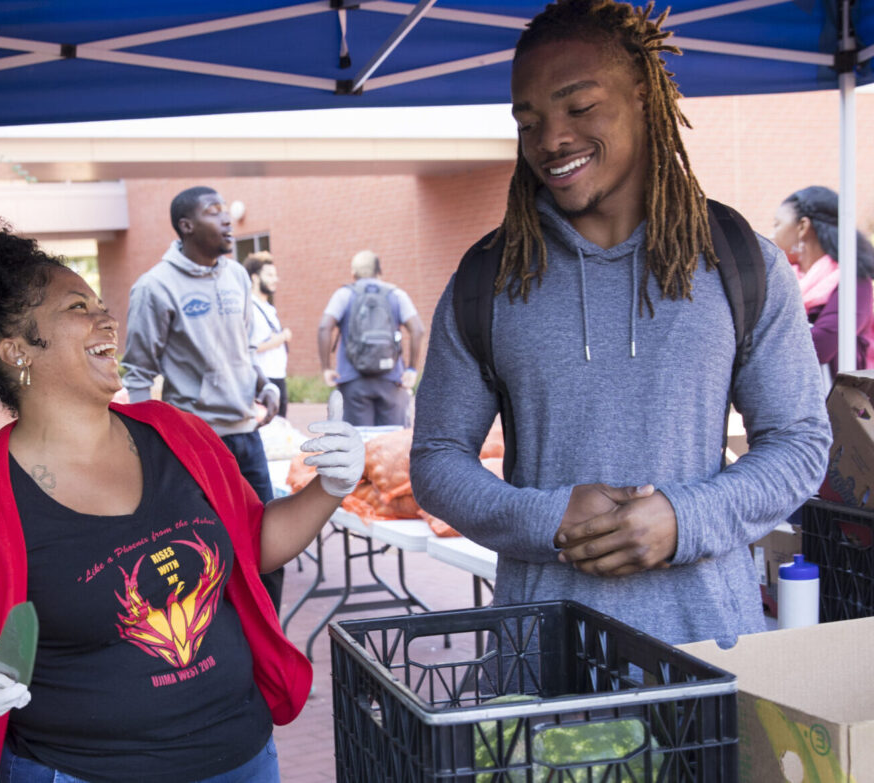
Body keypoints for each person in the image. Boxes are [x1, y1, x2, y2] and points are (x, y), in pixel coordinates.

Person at [409, 0, 831, 647]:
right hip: (543, 664)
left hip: (709, 660)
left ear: (644, 96)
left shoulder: (742, 262)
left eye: (579, 108)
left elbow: (800, 442)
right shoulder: (489, 278)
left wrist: (683, 519)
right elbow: (437, 460)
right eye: (529, 122)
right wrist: (547, 517)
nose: (551, 140)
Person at [0, 220, 364, 783]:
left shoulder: (176, 432)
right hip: (79, 771)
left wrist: (329, 488)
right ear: (17, 350)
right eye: (77, 307)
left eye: (99, 304)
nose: (107, 318)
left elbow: (256, 543)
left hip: (242, 756)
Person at [122, 186, 285, 612]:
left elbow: (245, 348)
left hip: (247, 437)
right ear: (186, 226)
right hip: (195, 445)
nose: (227, 218)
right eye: (214, 212)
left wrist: (263, 384)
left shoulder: (235, 276)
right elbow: (137, 372)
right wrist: (146, 442)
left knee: (269, 551)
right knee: (208, 557)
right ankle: (218, 649)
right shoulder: (154, 288)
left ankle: (270, 649)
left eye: (226, 210)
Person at [772, 185, 874, 382]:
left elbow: (821, 345)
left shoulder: (854, 282)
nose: (772, 234)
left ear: (803, 226)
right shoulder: (781, 281)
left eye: (777, 224)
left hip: (840, 407)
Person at [317, 249, 425, 427]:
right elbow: (418, 330)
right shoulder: (396, 294)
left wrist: (326, 368)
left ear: (353, 273)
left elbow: (324, 327)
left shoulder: (344, 295)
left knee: (358, 444)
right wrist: (412, 369)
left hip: (353, 381)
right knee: (393, 441)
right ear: (379, 271)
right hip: (392, 380)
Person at [244, 251, 292, 418]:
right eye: (269, 275)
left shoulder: (268, 308)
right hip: (263, 379)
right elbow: (250, 347)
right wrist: (282, 338)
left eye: (275, 275)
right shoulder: (250, 308)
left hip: (279, 376)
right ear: (255, 277)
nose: (274, 279)